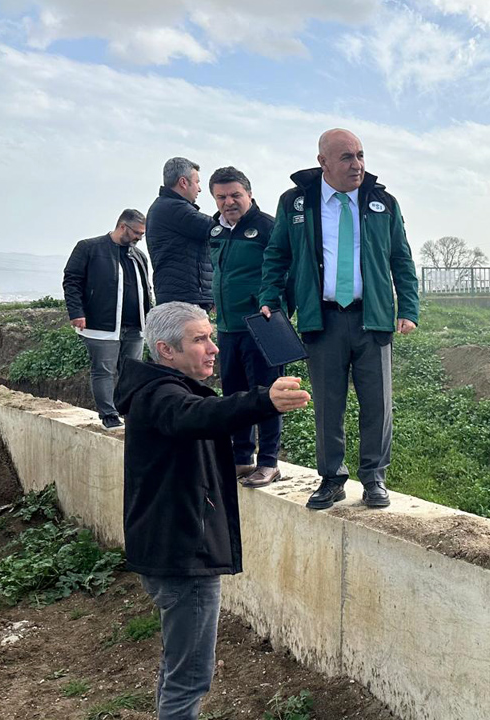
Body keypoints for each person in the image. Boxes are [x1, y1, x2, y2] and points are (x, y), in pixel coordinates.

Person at [114, 302, 310, 720]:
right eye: (200, 339)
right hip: (184, 557)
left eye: (211, 336)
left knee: (178, 667)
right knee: (189, 678)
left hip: (172, 549)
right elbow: (198, 416)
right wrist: (264, 400)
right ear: (166, 350)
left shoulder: (157, 389)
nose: (214, 348)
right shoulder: (162, 396)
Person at [259, 128, 419, 510]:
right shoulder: (296, 203)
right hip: (323, 319)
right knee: (328, 405)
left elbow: (401, 258)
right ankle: (332, 478)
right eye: (347, 157)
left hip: (372, 318)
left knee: (377, 404)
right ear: (323, 162)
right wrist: (269, 298)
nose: (357, 165)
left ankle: (374, 478)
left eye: (361, 155)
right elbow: (277, 254)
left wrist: (408, 308)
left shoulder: (383, 203)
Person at [207, 166, 282, 488]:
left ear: (249, 194)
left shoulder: (267, 227)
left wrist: (274, 306)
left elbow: (284, 270)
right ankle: (241, 457)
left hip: (261, 324)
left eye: (235, 195)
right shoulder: (215, 231)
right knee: (235, 395)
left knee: (267, 394)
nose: (228, 202)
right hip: (227, 327)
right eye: (221, 197)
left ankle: (269, 462)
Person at [62, 209, 154, 429]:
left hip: (136, 326)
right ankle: (109, 415)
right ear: (123, 226)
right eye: (137, 233)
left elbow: (146, 288)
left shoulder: (138, 255)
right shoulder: (89, 248)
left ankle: (130, 413)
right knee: (104, 370)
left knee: (131, 372)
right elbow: (72, 281)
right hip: (101, 325)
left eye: (142, 234)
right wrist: (76, 312)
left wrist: (150, 316)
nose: (139, 238)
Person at [147, 157, 216, 308]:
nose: (199, 189)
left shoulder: (165, 206)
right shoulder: (174, 208)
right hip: (184, 298)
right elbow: (214, 228)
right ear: (183, 182)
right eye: (197, 182)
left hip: (181, 295)